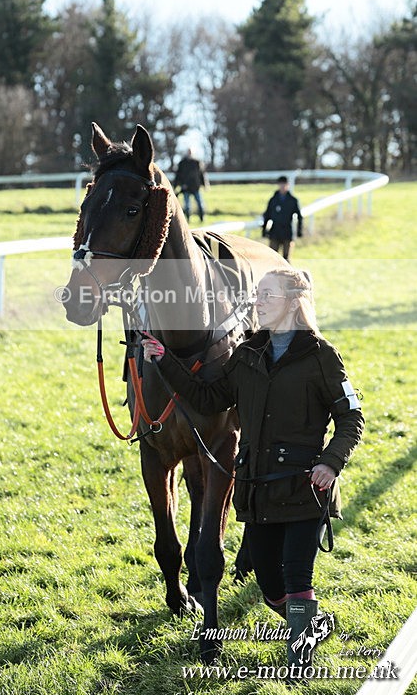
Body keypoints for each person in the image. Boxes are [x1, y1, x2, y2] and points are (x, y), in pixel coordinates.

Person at [142, 268, 364, 674]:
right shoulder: (246, 354)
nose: (257, 302)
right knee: (269, 584)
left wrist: (331, 463)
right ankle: (309, 625)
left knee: (297, 575)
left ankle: (301, 658)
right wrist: (165, 360)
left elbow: (351, 416)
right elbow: (208, 399)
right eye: (257, 294)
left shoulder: (322, 356)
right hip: (257, 490)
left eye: (267, 295)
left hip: (304, 487)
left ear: (292, 303)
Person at [262, 176, 303, 261]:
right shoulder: (273, 200)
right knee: (272, 258)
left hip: (287, 232)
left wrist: (299, 231)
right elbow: (267, 215)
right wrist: (264, 230)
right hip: (275, 232)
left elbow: (299, 216)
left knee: (286, 258)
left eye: (284, 184)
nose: (282, 186)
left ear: (287, 185)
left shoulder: (292, 200)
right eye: (281, 184)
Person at [174, 148, 208, 222]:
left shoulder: (197, 162)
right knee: (187, 205)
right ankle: (188, 220)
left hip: (196, 187)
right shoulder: (182, 163)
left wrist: (205, 185)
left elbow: (201, 174)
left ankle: (202, 218)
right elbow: (178, 176)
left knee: (200, 204)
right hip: (185, 188)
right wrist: (176, 186)